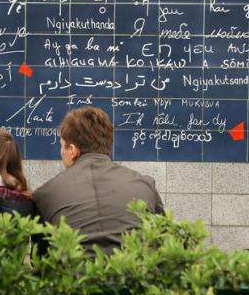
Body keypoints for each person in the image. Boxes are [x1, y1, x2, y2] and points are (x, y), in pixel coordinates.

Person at [33, 106, 164, 254]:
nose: (61, 152)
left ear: (72, 150)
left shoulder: (45, 194)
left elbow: (40, 260)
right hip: (133, 273)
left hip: (73, 275)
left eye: (62, 146)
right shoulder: (145, 186)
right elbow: (163, 241)